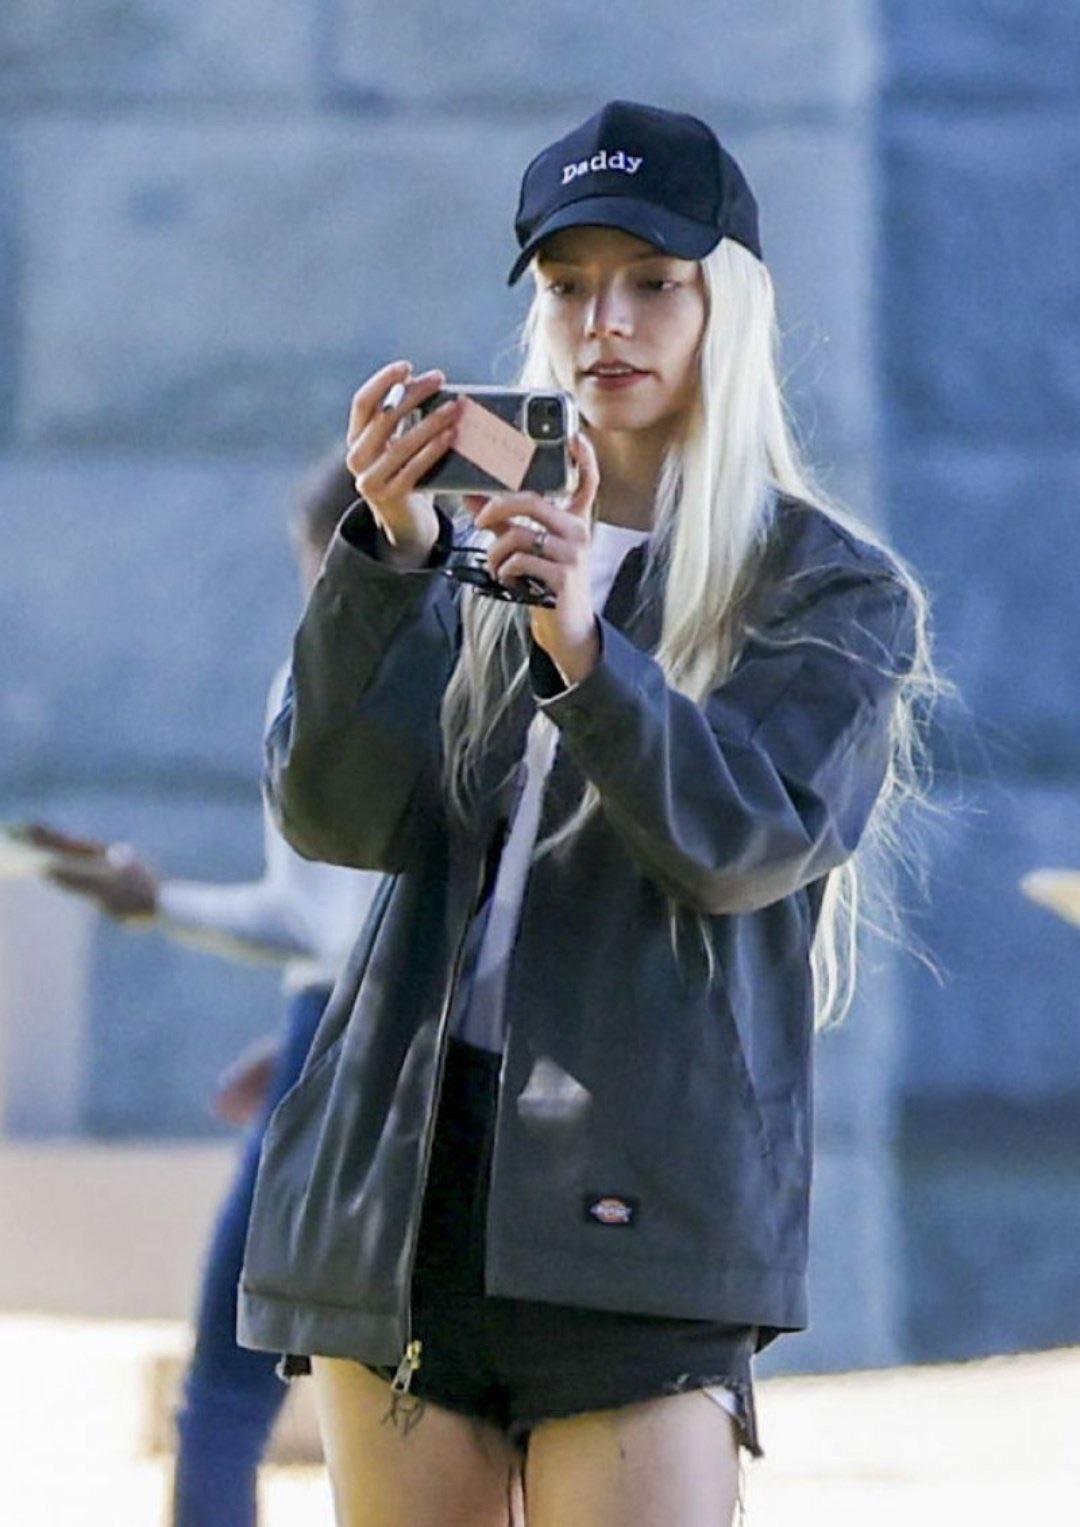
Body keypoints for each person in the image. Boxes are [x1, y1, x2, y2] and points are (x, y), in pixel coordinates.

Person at [237, 100, 940, 1526]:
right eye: (567, 287)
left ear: (725, 302)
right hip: (400, 1193)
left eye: (651, 281)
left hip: (643, 1210)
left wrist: (584, 647)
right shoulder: (469, 546)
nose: (604, 322)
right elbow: (335, 814)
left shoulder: (828, 587)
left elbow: (741, 839)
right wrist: (388, 562)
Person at [37, 454, 385, 1527]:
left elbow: (337, 928)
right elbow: (339, 919)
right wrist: (162, 902)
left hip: (352, 1042)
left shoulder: (345, 682)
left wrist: (315, 1030)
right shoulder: (358, 676)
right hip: (385, 1035)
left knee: (230, 1391)